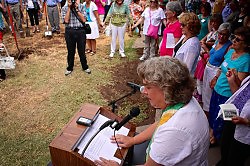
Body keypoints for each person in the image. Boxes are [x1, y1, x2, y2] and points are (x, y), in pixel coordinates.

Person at [95, 57, 210, 166]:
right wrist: (133, 140)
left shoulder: (174, 129)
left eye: (148, 87)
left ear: (167, 89)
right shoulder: (182, 103)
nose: (143, 91)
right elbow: (160, 123)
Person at [209, 26, 250, 145]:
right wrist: (216, 78)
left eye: (238, 40)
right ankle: (212, 135)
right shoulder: (231, 51)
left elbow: (239, 88)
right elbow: (222, 66)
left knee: (223, 119)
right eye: (234, 38)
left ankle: (217, 140)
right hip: (217, 89)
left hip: (228, 96)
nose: (234, 41)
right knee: (213, 113)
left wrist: (234, 77)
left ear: (246, 44)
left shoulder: (246, 60)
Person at [216, 75, 250, 166]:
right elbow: (238, 94)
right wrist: (232, 80)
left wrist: (245, 121)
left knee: (235, 159)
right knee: (225, 148)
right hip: (233, 118)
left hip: (244, 129)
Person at [202, 23, 232, 115]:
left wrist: (216, 77)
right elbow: (212, 54)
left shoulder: (229, 46)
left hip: (215, 70)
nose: (221, 36)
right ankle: (206, 112)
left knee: (211, 92)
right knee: (205, 92)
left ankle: (210, 113)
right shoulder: (216, 42)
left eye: (225, 35)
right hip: (208, 67)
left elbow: (224, 62)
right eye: (220, 33)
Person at [61, 0, 91, 76]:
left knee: (82, 51)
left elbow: (84, 20)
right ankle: (69, 67)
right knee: (70, 51)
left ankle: (85, 67)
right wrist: (69, 8)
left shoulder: (81, 6)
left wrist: (77, 10)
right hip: (69, 31)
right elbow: (66, 21)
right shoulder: (64, 8)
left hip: (80, 31)